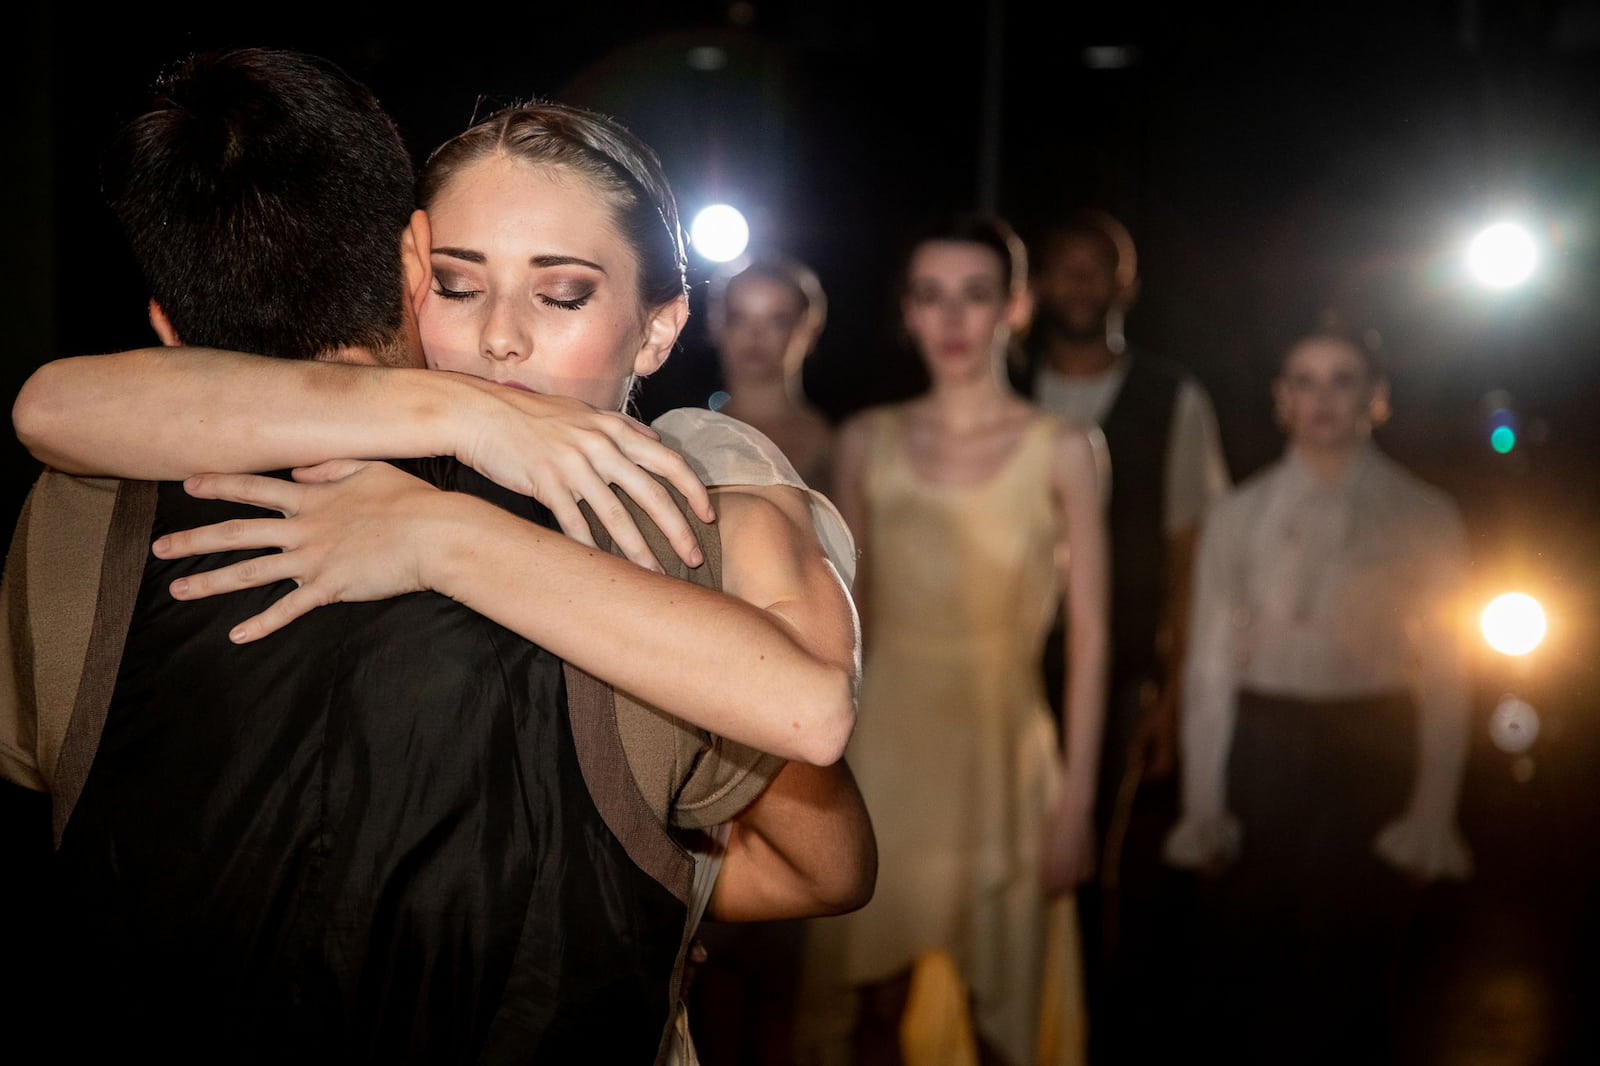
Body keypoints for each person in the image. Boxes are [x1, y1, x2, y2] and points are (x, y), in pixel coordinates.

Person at [5, 48, 872, 1062]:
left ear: (658, 329)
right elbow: (49, 406)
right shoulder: (322, 434)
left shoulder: (689, 494)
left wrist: (439, 535)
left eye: (560, 296)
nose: (500, 337)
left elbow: (820, 790)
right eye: (460, 285)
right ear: (412, 269)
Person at [801, 214, 1109, 1066]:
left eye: (975, 296)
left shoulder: (1066, 448)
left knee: (999, 1016)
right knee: (869, 1012)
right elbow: (844, 623)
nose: (953, 319)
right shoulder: (867, 441)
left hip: (1005, 753)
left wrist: (1077, 803)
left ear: (1016, 308)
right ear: (907, 312)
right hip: (884, 751)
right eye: (931, 297)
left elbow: (1090, 637)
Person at [1163, 324, 1473, 1065]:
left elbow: (1450, 674)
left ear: (1377, 398)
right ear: (1281, 400)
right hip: (1265, 744)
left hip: (1371, 744)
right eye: (1304, 381)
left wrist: (1432, 810)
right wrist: (1204, 807)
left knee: (1354, 962)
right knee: (1249, 958)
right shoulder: (1238, 516)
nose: (1323, 398)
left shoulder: (1426, 515)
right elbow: (1208, 669)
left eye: (1342, 380)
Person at [1019, 208, 1231, 1062]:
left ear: (1125, 284)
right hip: (1007, 663)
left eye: (1094, 268)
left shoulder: (1170, 395)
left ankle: (1093, 1034)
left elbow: (1193, 555)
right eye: (1061, 267)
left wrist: (1174, 696)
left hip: (1119, 668)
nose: (1078, 283)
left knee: (1102, 868)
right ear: (1036, 286)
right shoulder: (1001, 381)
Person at [705, 255, 835, 496]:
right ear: (717, 324)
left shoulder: (835, 446)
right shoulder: (685, 436)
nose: (755, 335)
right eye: (739, 317)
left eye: (777, 321)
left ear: (809, 329)